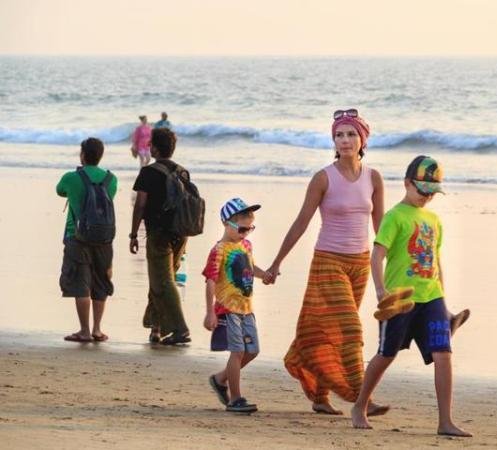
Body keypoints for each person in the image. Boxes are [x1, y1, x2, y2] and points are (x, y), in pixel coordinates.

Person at [265, 109, 390, 416]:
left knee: (327, 331)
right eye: (339, 134)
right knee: (350, 329)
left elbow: (382, 229)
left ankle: (320, 397)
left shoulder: (373, 177)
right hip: (328, 262)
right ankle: (361, 396)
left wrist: (397, 266)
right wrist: (276, 263)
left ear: (362, 139)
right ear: (333, 140)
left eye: (350, 134)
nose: (345, 140)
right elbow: (301, 223)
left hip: (359, 264)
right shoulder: (323, 178)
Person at [351, 155, 472, 437]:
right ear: (407, 183)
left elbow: (435, 259)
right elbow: (377, 255)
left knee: (443, 354)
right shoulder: (394, 217)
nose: (427, 197)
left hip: (432, 297)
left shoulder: (434, 220)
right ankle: (360, 405)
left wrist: (443, 299)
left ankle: (445, 421)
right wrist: (381, 291)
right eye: (422, 190)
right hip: (401, 299)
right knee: (386, 353)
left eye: (432, 193)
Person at [203, 198, 269, 413]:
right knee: (238, 351)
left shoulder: (246, 245)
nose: (246, 233)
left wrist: (264, 275)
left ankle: (220, 379)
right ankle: (235, 398)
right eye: (242, 229)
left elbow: (250, 267)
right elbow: (211, 280)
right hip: (227, 308)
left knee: (252, 350)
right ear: (226, 223)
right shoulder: (219, 250)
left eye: (250, 229)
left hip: (247, 308)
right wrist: (209, 312)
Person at [129, 128, 190, 345]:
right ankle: (156, 328)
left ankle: (180, 329)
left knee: (163, 282)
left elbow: (140, 205)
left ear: (154, 147)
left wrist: (134, 234)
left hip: (159, 234)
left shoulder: (148, 172)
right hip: (181, 234)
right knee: (162, 281)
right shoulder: (183, 172)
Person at [57, 137, 117, 343]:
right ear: (100, 156)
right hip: (104, 237)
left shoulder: (71, 177)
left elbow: (59, 191)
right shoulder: (111, 179)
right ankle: (97, 330)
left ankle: (84, 331)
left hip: (77, 236)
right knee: (100, 282)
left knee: (80, 281)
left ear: (82, 155)